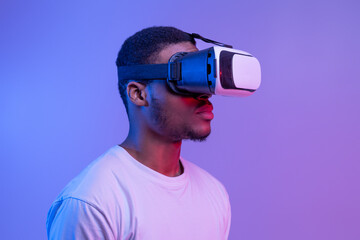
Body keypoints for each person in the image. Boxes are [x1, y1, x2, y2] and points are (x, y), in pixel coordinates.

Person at [46, 26, 231, 240]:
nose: (204, 94)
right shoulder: (92, 202)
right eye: (186, 78)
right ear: (139, 94)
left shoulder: (213, 192)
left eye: (204, 78)